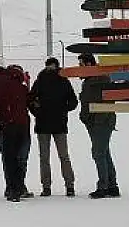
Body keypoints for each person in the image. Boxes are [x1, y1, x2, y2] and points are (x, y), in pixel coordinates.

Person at [29, 57, 78, 197]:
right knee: (64, 156)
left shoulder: (40, 81)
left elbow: (30, 100)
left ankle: (46, 187)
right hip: (59, 123)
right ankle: (69, 186)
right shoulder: (63, 81)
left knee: (44, 158)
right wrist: (63, 109)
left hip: (43, 124)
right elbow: (73, 101)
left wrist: (37, 112)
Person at [78, 53, 119, 199]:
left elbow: (107, 101)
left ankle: (104, 186)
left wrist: (95, 120)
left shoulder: (100, 78)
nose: (79, 68)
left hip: (101, 122)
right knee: (104, 152)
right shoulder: (90, 80)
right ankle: (112, 185)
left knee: (98, 153)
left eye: (81, 64)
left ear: (89, 64)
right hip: (95, 122)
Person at [0, 66, 31, 202]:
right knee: (20, 159)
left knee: (9, 158)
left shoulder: (2, 83)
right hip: (23, 125)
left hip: (9, 126)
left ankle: (13, 190)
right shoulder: (21, 84)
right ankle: (19, 187)